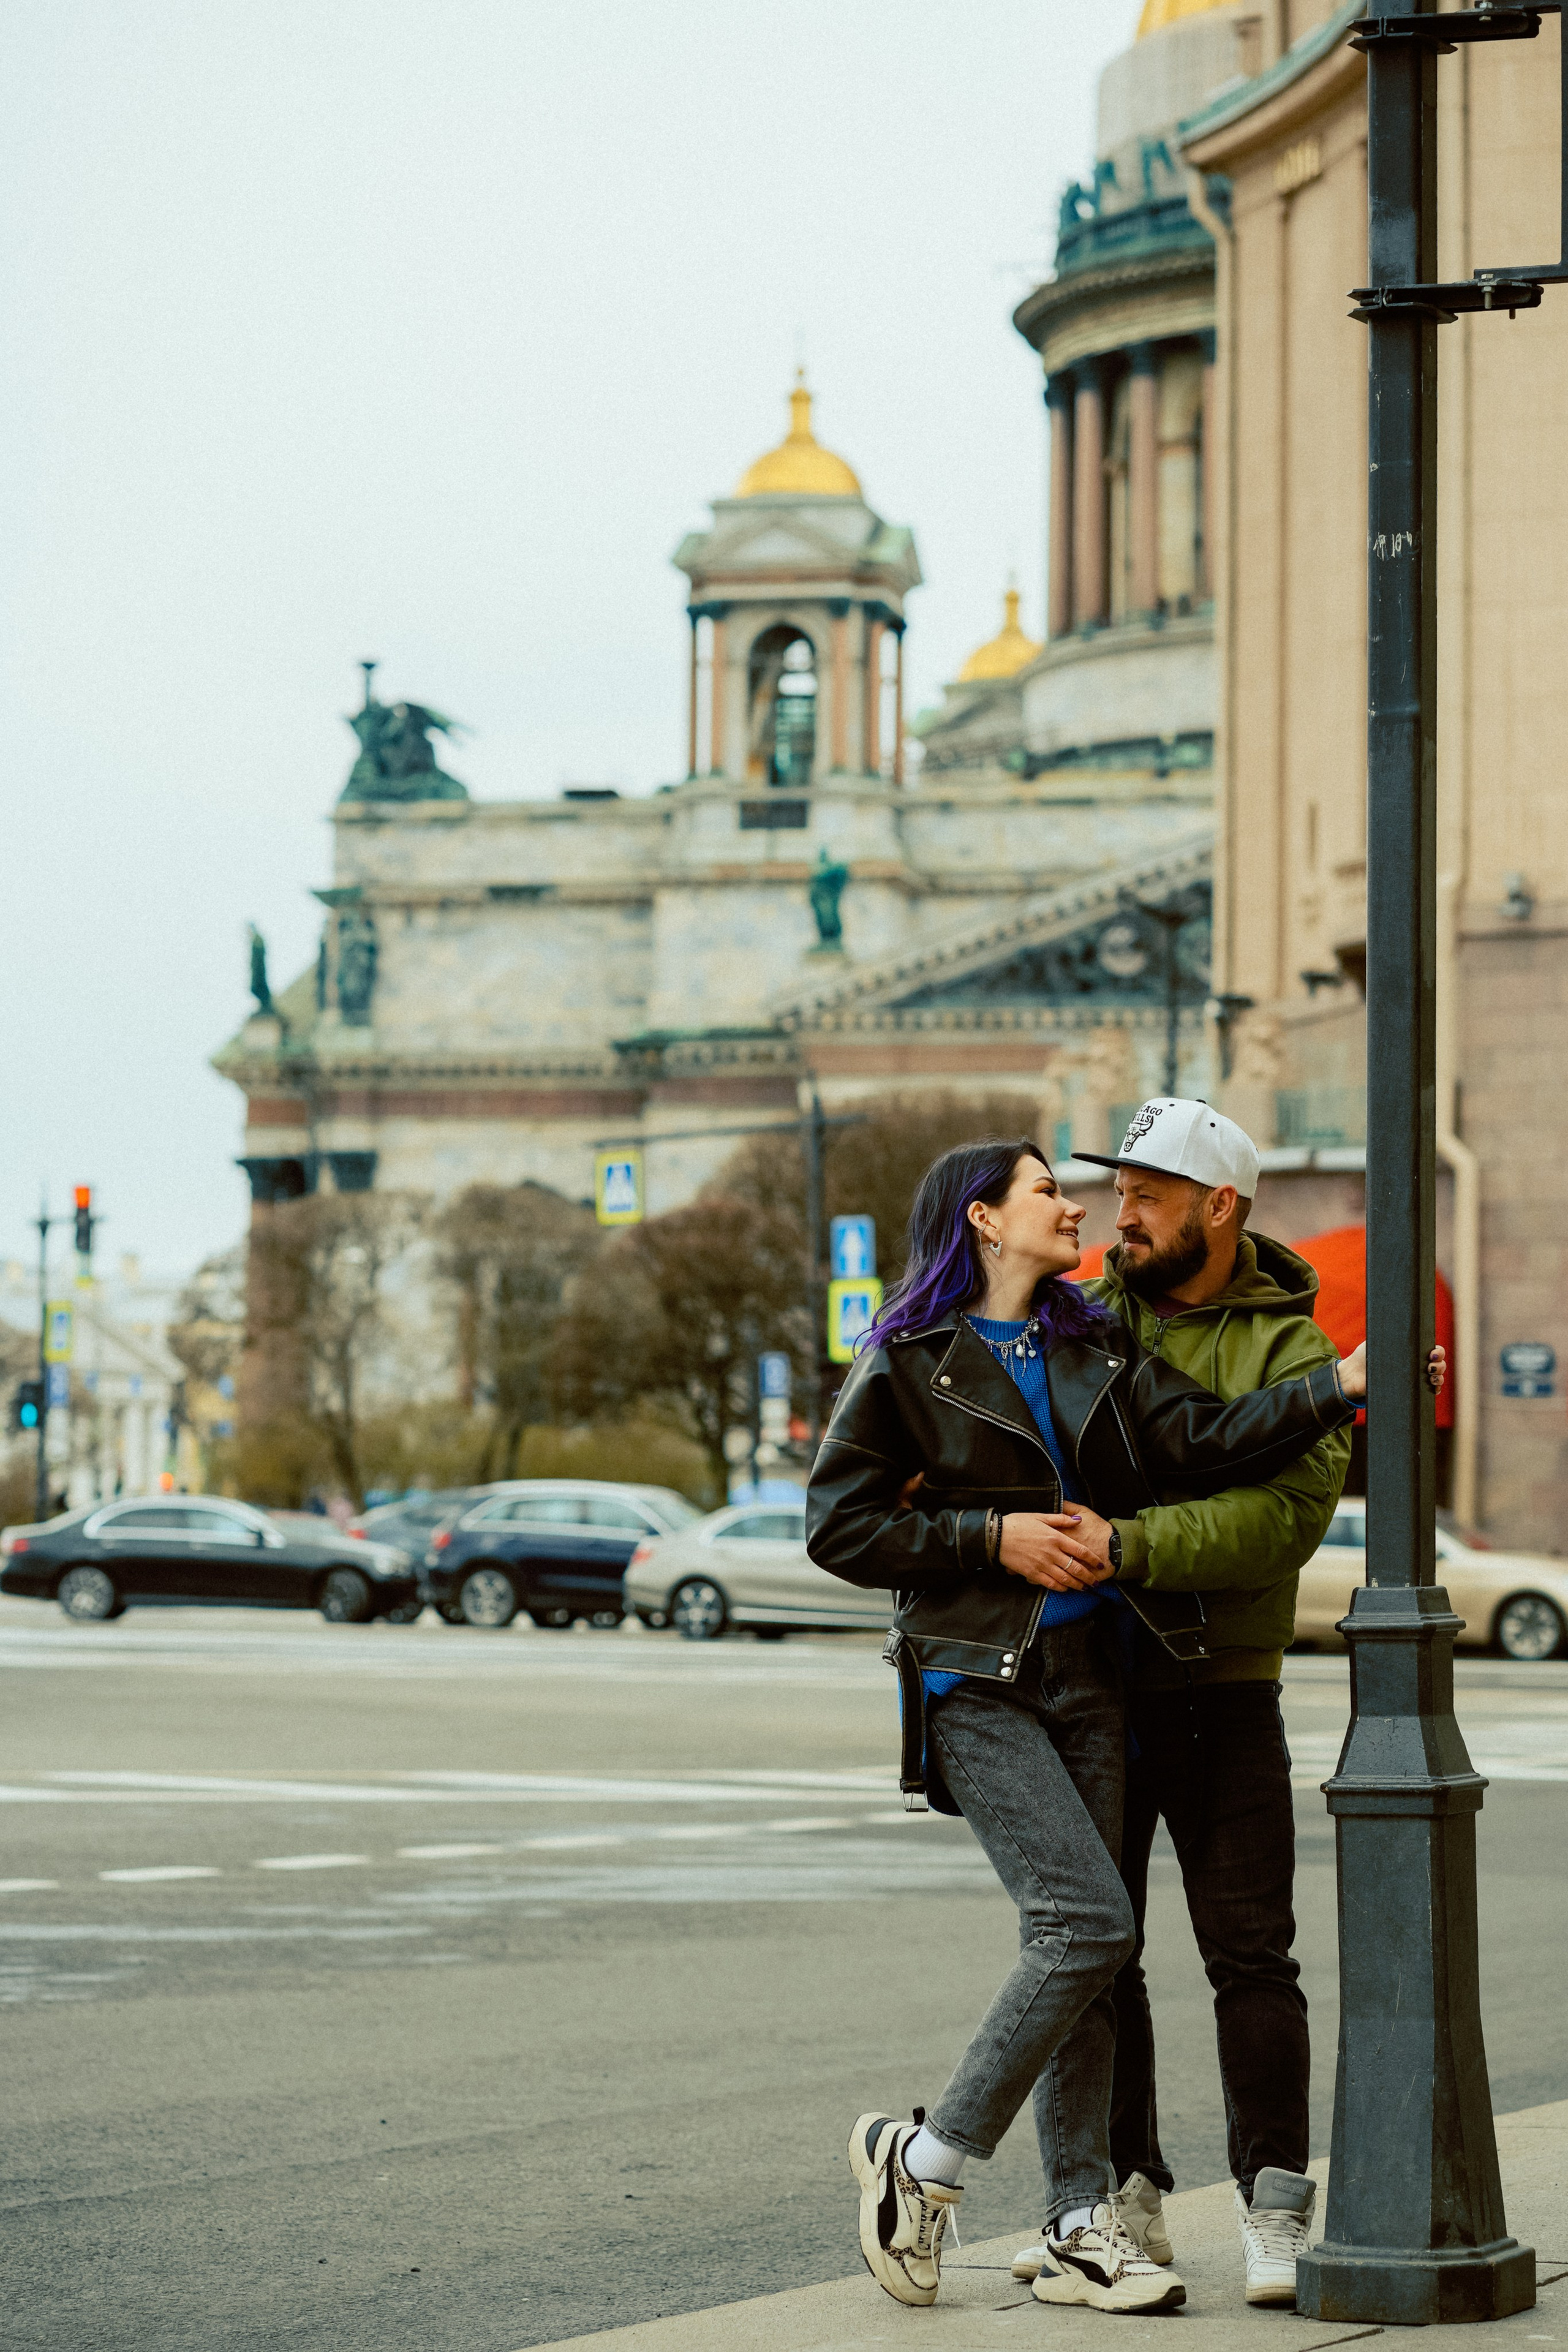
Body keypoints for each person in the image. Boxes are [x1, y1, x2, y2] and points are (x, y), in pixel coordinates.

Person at [806, 1135, 1393, 2317]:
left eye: (1107, 1192)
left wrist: (1339, 1382)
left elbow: (1197, 1442)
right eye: (1051, 1190)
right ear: (982, 1219)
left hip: (1093, 1670)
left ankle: (1081, 2219)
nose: (1082, 1208)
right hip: (979, 1675)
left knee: (1102, 1949)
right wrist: (990, 1535)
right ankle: (923, 2163)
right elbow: (839, 1527)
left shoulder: (1093, 1340)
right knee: (1087, 1923)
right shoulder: (913, 1359)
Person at [1006, 1098, 1387, 2311]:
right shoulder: (1085, 1312)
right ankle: (1128, 2201)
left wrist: (1122, 1543)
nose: (1123, 1210)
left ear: (1220, 1206)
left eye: (1151, 1193)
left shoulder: (1289, 1350)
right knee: (1098, 1959)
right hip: (1090, 1692)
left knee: (1248, 1958)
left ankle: (1274, 2208)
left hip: (1221, 1692)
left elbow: (1274, 1526)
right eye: (1118, 1188)